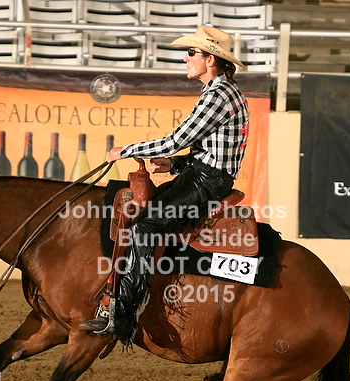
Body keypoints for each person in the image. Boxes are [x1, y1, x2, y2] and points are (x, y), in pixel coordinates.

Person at [80, 26, 249, 346]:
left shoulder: (218, 95)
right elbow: (212, 151)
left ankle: (123, 313)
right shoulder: (222, 91)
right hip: (202, 175)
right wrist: (174, 165)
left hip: (206, 181)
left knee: (143, 226)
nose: (186, 58)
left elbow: (176, 140)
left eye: (191, 53)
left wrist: (127, 151)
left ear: (210, 59)